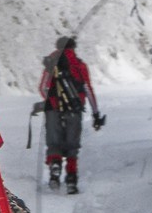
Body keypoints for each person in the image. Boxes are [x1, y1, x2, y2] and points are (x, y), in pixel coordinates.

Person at [37, 36, 104, 194]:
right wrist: (95, 113)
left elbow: (42, 88)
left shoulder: (50, 63)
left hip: (53, 109)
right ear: (73, 48)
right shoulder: (79, 65)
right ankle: (71, 180)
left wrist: (52, 101)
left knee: (54, 143)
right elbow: (87, 89)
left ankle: (55, 168)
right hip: (74, 109)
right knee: (72, 146)